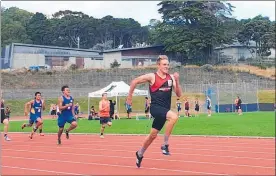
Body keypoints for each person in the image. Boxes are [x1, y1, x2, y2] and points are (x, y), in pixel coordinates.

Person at [126, 55, 182, 168]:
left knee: (152, 135)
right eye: (164, 64)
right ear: (158, 65)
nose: (167, 66)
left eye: (168, 64)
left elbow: (179, 94)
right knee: (174, 117)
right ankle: (165, 144)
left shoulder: (171, 78)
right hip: (155, 108)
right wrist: (129, 97)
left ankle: (140, 153)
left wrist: (177, 80)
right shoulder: (152, 76)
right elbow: (134, 81)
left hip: (164, 110)